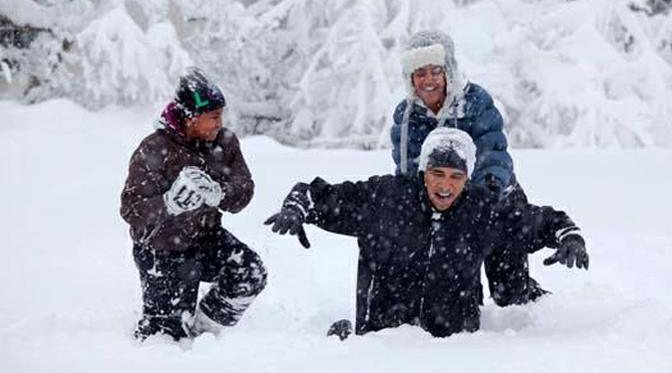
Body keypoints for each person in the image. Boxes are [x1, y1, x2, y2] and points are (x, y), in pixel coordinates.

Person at [266, 128, 588, 338]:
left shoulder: (481, 211)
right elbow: (318, 195)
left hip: (451, 350)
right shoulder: (386, 197)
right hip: (381, 344)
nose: (445, 185)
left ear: (467, 179)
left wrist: (568, 236)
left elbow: (540, 220)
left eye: (455, 176)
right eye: (437, 174)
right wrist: (297, 208)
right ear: (423, 172)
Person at [391, 30, 541, 306]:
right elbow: (408, 168)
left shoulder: (474, 102)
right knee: (456, 288)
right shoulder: (406, 114)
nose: (428, 80)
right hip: (447, 206)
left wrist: (486, 193)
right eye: (419, 73)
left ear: (448, 70)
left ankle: (528, 295)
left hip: (495, 199)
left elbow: (493, 150)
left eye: (435, 71)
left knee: (509, 294)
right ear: (410, 78)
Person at [120, 68, 267, 341]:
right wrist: (168, 204)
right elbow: (131, 209)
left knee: (250, 274)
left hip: (205, 238)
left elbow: (244, 190)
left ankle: (204, 333)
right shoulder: (153, 149)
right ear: (190, 117)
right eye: (213, 117)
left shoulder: (225, 143)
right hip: (161, 251)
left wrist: (219, 193)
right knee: (164, 339)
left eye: (220, 115)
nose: (219, 124)